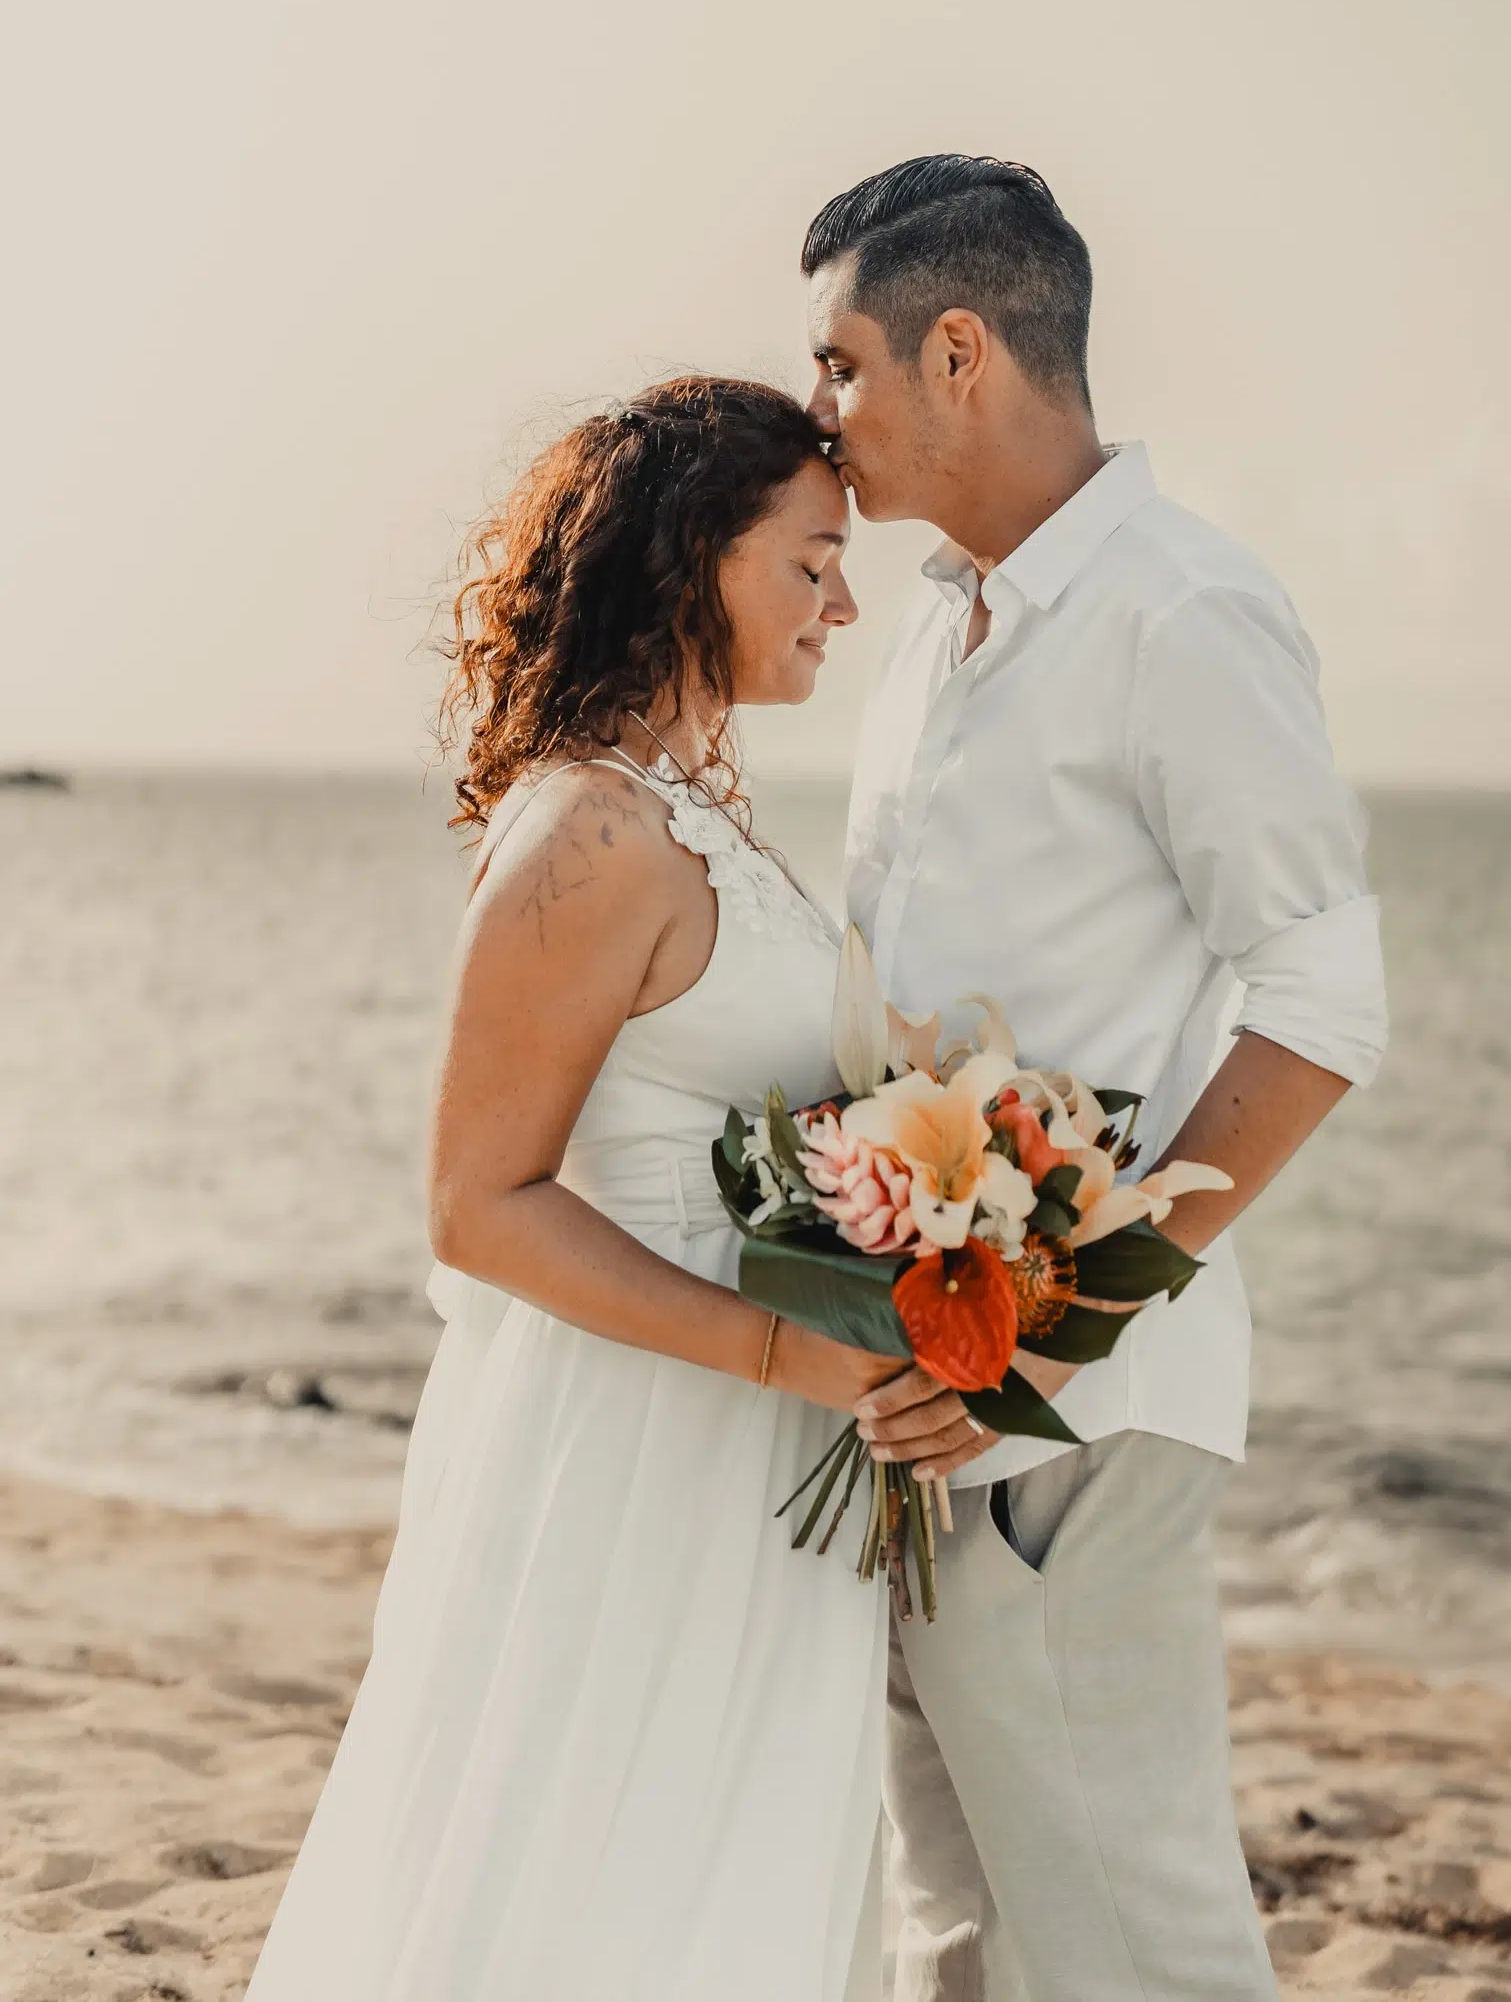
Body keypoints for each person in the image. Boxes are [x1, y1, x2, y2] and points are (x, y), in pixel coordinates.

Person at [803, 157, 1390, 2002]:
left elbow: (1321, 1003)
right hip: (923, 1367)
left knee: (1127, 1932)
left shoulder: (1179, 611)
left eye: (840, 366)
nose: (816, 416)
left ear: (959, 350)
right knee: (960, 1907)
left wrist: (1052, 1340)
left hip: (1074, 1398)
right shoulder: (935, 619)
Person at [246, 375, 892, 2002]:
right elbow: (477, 1203)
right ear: (695, 554)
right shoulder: (590, 834)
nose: (845, 599)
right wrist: (779, 1351)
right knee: (593, 1864)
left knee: (708, 1868)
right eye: (810, 558)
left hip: (751, 1425)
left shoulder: (690, 821)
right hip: (633, 1437)